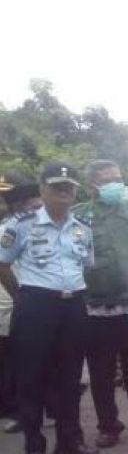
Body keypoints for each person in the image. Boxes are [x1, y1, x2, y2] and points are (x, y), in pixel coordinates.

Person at [0, 164, 99, 454]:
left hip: (73, 306)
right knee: (32, 375)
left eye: (69, 186)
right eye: (57, 186)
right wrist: (22, 296)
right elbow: (2, 264)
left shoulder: (82, 228)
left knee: (70, 376)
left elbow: (87, 266)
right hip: (36, 304)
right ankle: (34, 444)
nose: (64, 192)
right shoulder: (21, 226)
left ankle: (70, 439)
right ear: (42, 189)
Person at [75, 160, 128, 446]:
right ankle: (109, 426)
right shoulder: (80, 217)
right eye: (108, 179)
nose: (115, 184)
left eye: (118, 178)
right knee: (101, 372)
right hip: (97, 307)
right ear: (93, 186)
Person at [0, 173, 41, 432]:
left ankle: (27, 408)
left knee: (25, 359)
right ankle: (17, 409)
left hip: (27, 301)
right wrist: (19, 297)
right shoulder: (9, 229)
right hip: (13, 301)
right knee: (14, 360)